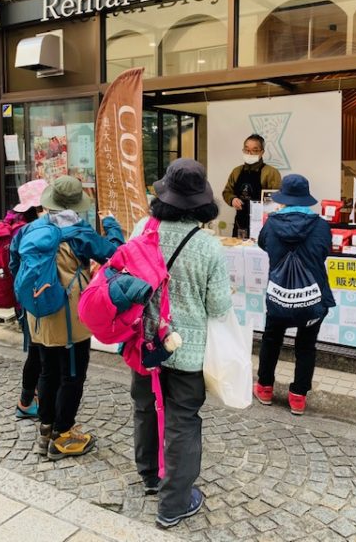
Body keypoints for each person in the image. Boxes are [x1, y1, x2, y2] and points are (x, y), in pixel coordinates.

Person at [130, 158, 232, 529]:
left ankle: (149, 476)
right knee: (183, 420)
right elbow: (219, 306)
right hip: (186, 351)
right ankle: (174, 504)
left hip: (144, 342)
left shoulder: (143, 228)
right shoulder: (208, 247)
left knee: (145, 406)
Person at [20, 176, 124, 460]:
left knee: (48, 371)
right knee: (73, 375)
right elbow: (114, 255)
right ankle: (63, 435)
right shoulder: (79, 231)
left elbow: (15, 263)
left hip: (38, 314)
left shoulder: (31, 227)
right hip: (69, 317)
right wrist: (112, 224)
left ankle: (46, 430)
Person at [254, 174, 335, 415]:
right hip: (312, 298)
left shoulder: (271, 223)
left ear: (284, 198)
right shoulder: (321, 225)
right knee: (306, 346)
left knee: (271, 340)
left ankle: (265, 388)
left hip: (279, 297)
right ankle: (298, 397)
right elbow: (324, 251)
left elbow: (263, 244)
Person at [8, 179, 49, 419]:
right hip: (35, 302)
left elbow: (15, 267)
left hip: (24, 301)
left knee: (36, 351)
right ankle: (27, 403)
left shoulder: (18, 227)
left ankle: (30, 398)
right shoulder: (31, 232)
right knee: (39, 353)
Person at [223, 134, 281, 238]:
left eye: (254, 150)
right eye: (246, 150)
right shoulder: (236, 171)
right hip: (240, 222)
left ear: (262, 152)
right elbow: (227, 192)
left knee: (259, 253)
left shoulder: (271, 172)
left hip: (263, 224)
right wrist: (232, 199)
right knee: (239, 250)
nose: (249, 153)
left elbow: (277, 200)